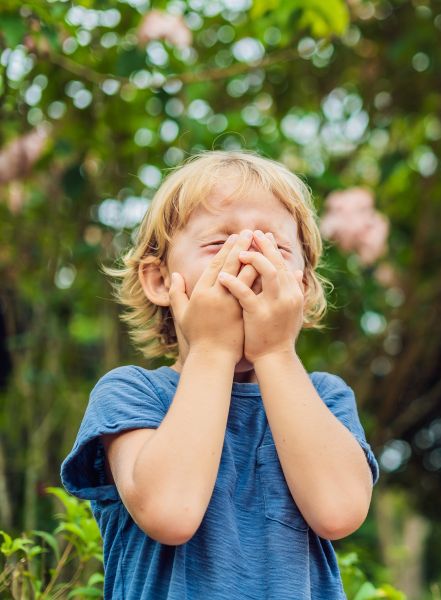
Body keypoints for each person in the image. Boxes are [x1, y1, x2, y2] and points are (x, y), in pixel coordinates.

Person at [60, 150, 380, 599]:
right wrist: (212, 349)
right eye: (218, 244)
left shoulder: (325, 397)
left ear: (302, 288)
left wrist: (274, 351)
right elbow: (171, 513)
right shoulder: (130, 393)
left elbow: (339, 512)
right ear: (159, 281)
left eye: (276, 248)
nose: (249, 261)